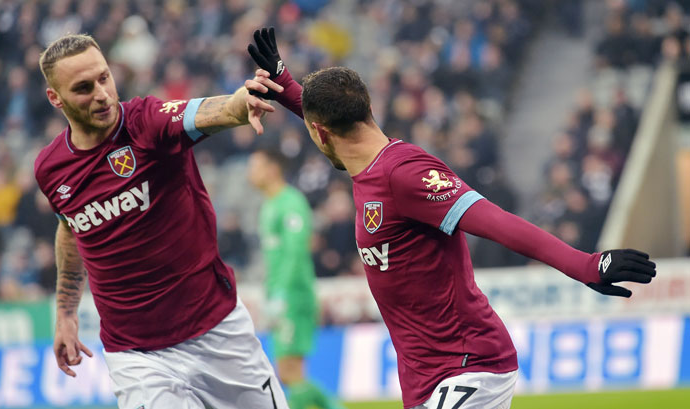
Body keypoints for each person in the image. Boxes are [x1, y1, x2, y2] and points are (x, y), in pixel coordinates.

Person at [246, 28, 657, 409]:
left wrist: (586, 264)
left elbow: (495, 220)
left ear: (318, 133)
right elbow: (325, 114)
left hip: (470, 365)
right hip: (427, 378)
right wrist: (284, 82)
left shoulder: (403, 174)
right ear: (367, 106)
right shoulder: (366, 158)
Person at [34, 33, 288, 409]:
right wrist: (66, 314)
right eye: (84, 88)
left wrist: (242, 101)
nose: (102, 94)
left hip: (215, 332)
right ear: (55, 98)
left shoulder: (146, 123)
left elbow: (208, 111)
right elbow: (71, 228)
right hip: (136, 358)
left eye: (104, 78)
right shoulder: (51, 169)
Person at [247, 148, 345, 409]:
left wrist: (283, 294)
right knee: (288, 374)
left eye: (255, 166)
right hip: (281, 295)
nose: (250, 173)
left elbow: (296, 251)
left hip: (294, 295)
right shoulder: (269, 206)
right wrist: (269, 292)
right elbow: (274, 258)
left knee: (292, 373)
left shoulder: (291, 203)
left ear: (272, 169)